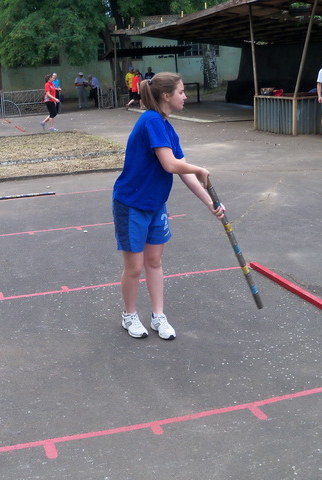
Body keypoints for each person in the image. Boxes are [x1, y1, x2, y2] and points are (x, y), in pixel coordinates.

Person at [112, 72, 225, 340]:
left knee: (154, 261)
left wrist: (211, 203)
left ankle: (158, 316)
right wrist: (199, 168)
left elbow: (183, 173)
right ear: (166, 95)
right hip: (131, 203)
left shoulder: (166, 126)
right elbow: (171, 165)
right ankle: (129, 316)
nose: (185, 96)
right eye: (181, 92)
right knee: (135, 267)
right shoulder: (151, 120)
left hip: (155, 204)